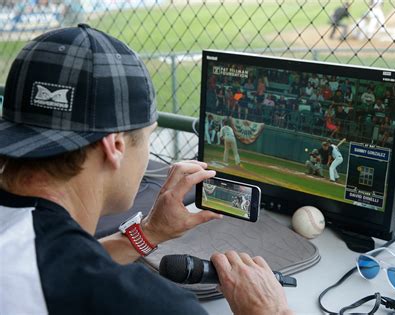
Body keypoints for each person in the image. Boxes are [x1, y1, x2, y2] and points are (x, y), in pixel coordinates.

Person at [0, 25, 292, 315]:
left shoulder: (35, 251)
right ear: (115, 146)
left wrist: (151, 231)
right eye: (148, 136)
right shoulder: (143, 303)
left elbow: (58, 261)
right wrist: (271, 311)